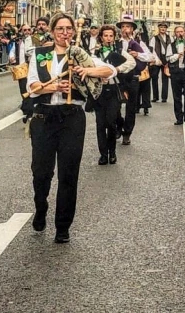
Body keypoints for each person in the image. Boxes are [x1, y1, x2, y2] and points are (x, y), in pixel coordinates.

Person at [25, 13, 114, 243]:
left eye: (68, 29)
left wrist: (88, 71)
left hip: (72, 117)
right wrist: (54, 86)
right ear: (53, 31)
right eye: (60, 28)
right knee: (41, 172)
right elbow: (33, 86)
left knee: (69, 173)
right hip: (44, 116)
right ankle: (41, 206)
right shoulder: (39, 54)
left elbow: (109, 71)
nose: (64, 33)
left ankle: (63, 227)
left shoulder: (81, 55)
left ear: (73, 32)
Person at [91, 25, 134, 165]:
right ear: (101, 37)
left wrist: (116, 69)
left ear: (114, 37)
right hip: (99, 91)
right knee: (100, 124)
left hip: (114, 90)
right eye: (105, 36)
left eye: (111, 36)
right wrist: (98, 75)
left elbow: (131, 63)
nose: (108, 38)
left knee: (111, 122)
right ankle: (103, 154)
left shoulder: (119, 51)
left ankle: (112, 153)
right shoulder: (94, 53)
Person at [117, 14, 155, 143]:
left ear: (132, 29)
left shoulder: (139, 43)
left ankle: (127, 133)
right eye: (123, 26)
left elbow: (150, 57)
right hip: (118, 78)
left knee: (131, 107)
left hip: (133, 77)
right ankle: (118, 124)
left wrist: (137, 54)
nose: (125, 29)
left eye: (128, 26)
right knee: (114, 105)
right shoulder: (116, 43)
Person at [151, 21, 172, 104]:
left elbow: (172, 49)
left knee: (165, 78)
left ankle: (164, 97)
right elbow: (151, 49)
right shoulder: (154, 38)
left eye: (164, 27)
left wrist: (168, 59)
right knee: (154, 77)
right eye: (161, 27)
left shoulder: (170, 38)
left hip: (166, 58)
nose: (163, 29)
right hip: (157, 58)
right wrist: (156, 59)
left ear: (166, 29)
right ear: (158, 28)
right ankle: (155, 96)